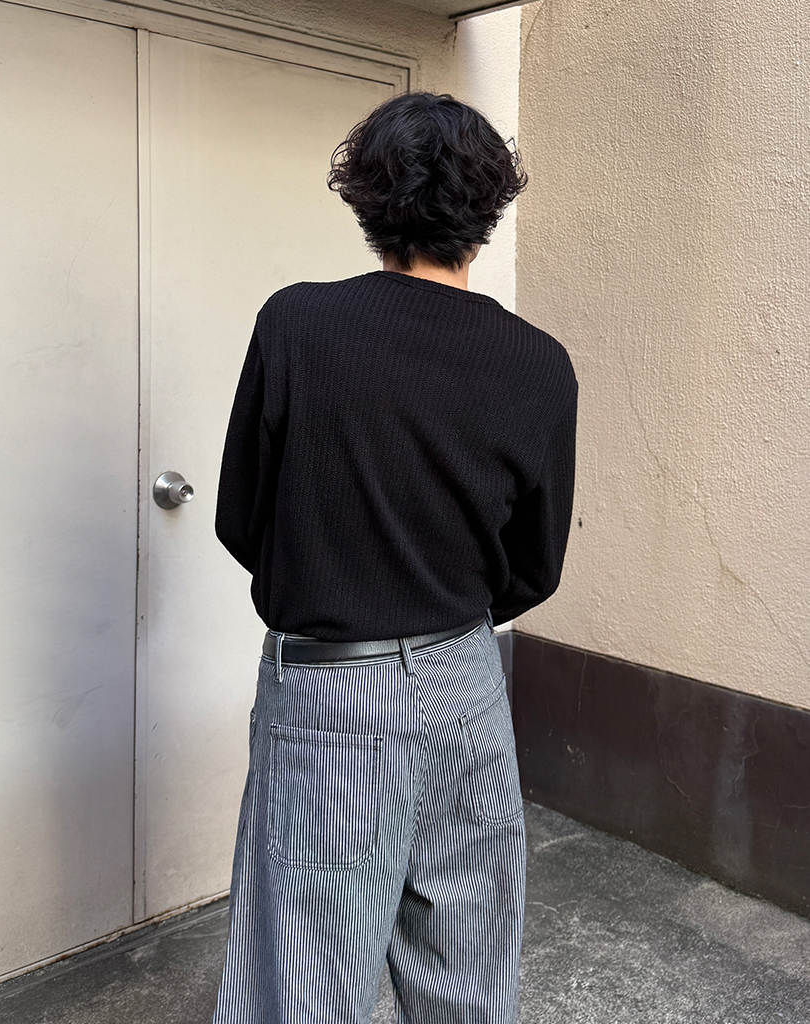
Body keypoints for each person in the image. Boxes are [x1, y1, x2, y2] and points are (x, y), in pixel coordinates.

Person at [211, 91, 577, 1024]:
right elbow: (534, 564)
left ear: (367, 200)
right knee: (468, 969)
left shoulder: (297, 325)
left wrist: (333, 578)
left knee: (303, 981)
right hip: (466, 683)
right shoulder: (538, 363)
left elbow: (241, 516)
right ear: (489, 210)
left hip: (334, 688)